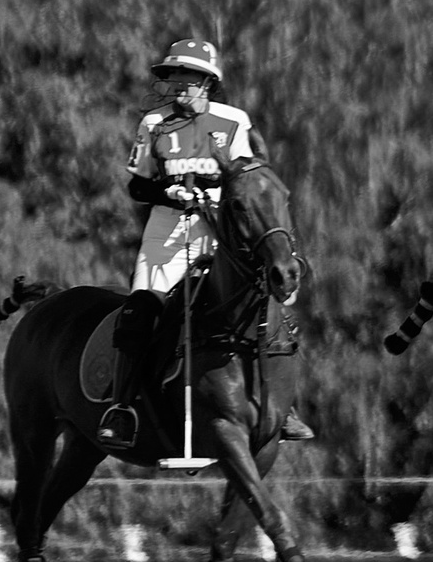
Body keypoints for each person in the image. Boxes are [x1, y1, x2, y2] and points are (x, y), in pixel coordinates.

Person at [95, 38, 315, 448]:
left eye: (189, 77)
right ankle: (121, 408)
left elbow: (248, 178)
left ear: (208, 83)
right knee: (141, 310)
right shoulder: (153, 124)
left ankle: (283, 407)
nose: (179, 85)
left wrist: (217, 190)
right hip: (167, 234)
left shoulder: (234, 121)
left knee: (264, 299)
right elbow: (137, 187)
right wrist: (169, 192)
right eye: (174, 77)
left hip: (223, 232)